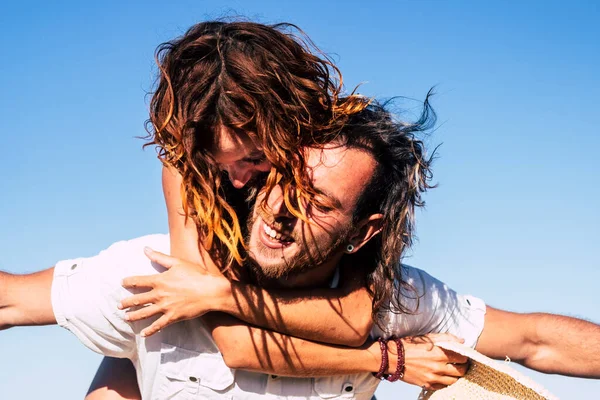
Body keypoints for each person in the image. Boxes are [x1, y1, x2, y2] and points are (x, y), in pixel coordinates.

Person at [2, 102, 599, 399]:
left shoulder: (395, 301)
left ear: (363, 232)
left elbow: (532, 340)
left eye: (318, 204)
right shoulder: (157, 276)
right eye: (283, 182)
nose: (282, 210)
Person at [79, 18, 468, 399]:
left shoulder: (335, 159)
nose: (235, 180)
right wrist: (383, 359)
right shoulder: (187, 166)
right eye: (220, 162)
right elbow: (235, 343)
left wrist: (219, 293)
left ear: (291, 124)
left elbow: (351, 320)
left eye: (253, 157)